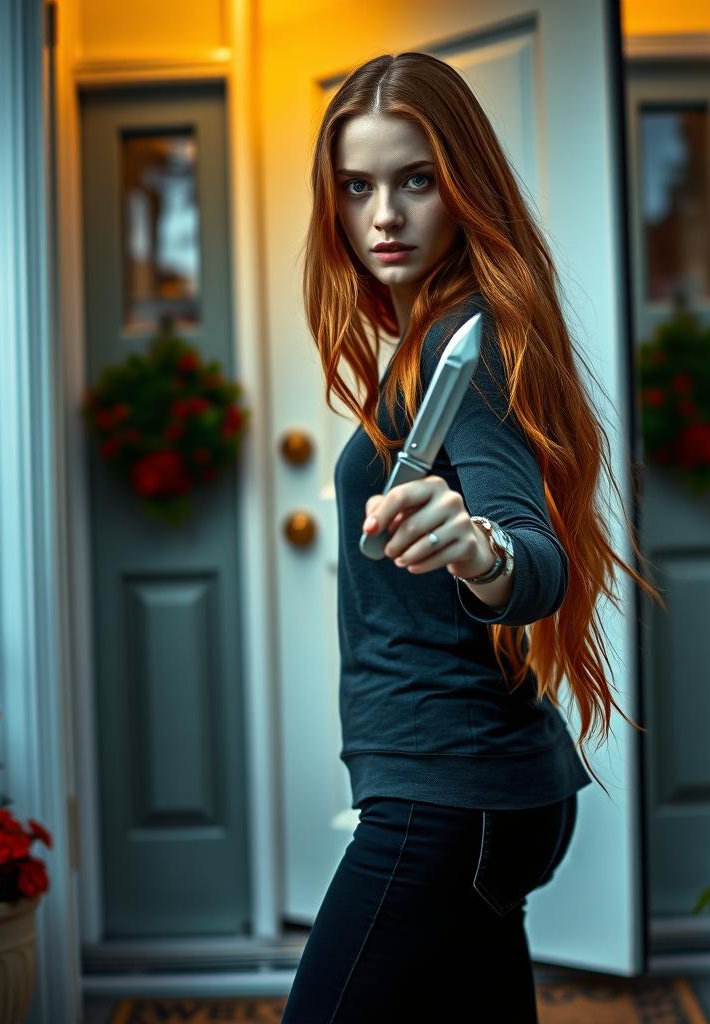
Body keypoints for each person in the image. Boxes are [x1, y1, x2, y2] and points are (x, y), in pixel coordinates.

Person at [282, 51, 661, 1024]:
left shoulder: (467, 349)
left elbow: (535, 565)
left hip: (444, 798)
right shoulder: (427, 343)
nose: (382, 217)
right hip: (488, 790)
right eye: (357, 186)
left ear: (462, 186)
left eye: (415, 181)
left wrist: (479, 548)